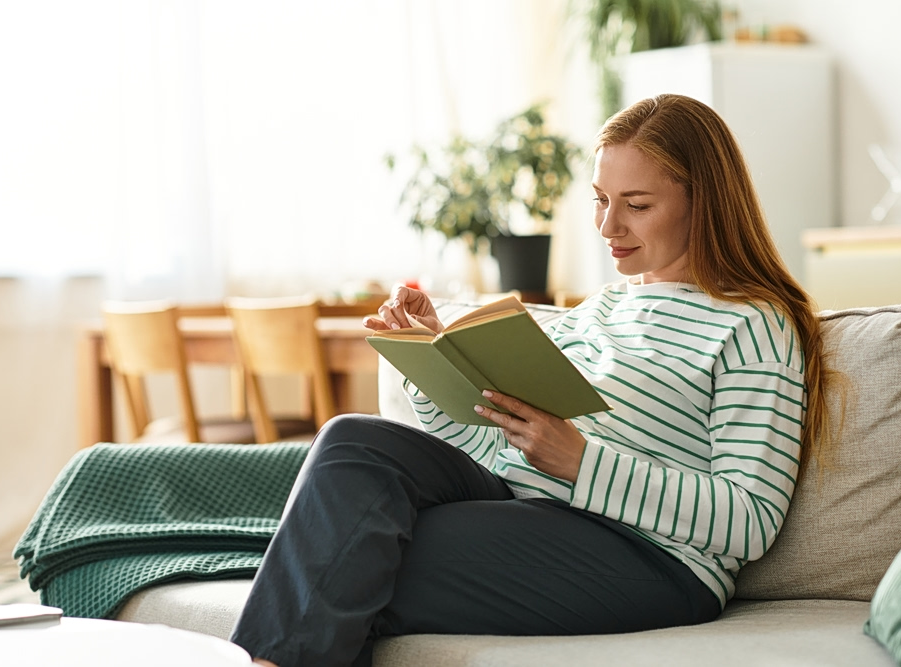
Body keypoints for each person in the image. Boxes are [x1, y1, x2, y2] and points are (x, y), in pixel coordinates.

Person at [229, 93, 838, 667]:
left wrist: (580, 462)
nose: (608, 227)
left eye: (637, 205)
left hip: (653, 557)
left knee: (353, 551)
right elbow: (494, 447)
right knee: (351, 443)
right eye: (600, 200)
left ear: (704, 202)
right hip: (524, 504)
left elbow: (751, 519)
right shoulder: (598, 309)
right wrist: (433, 363)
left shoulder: (752, 325)